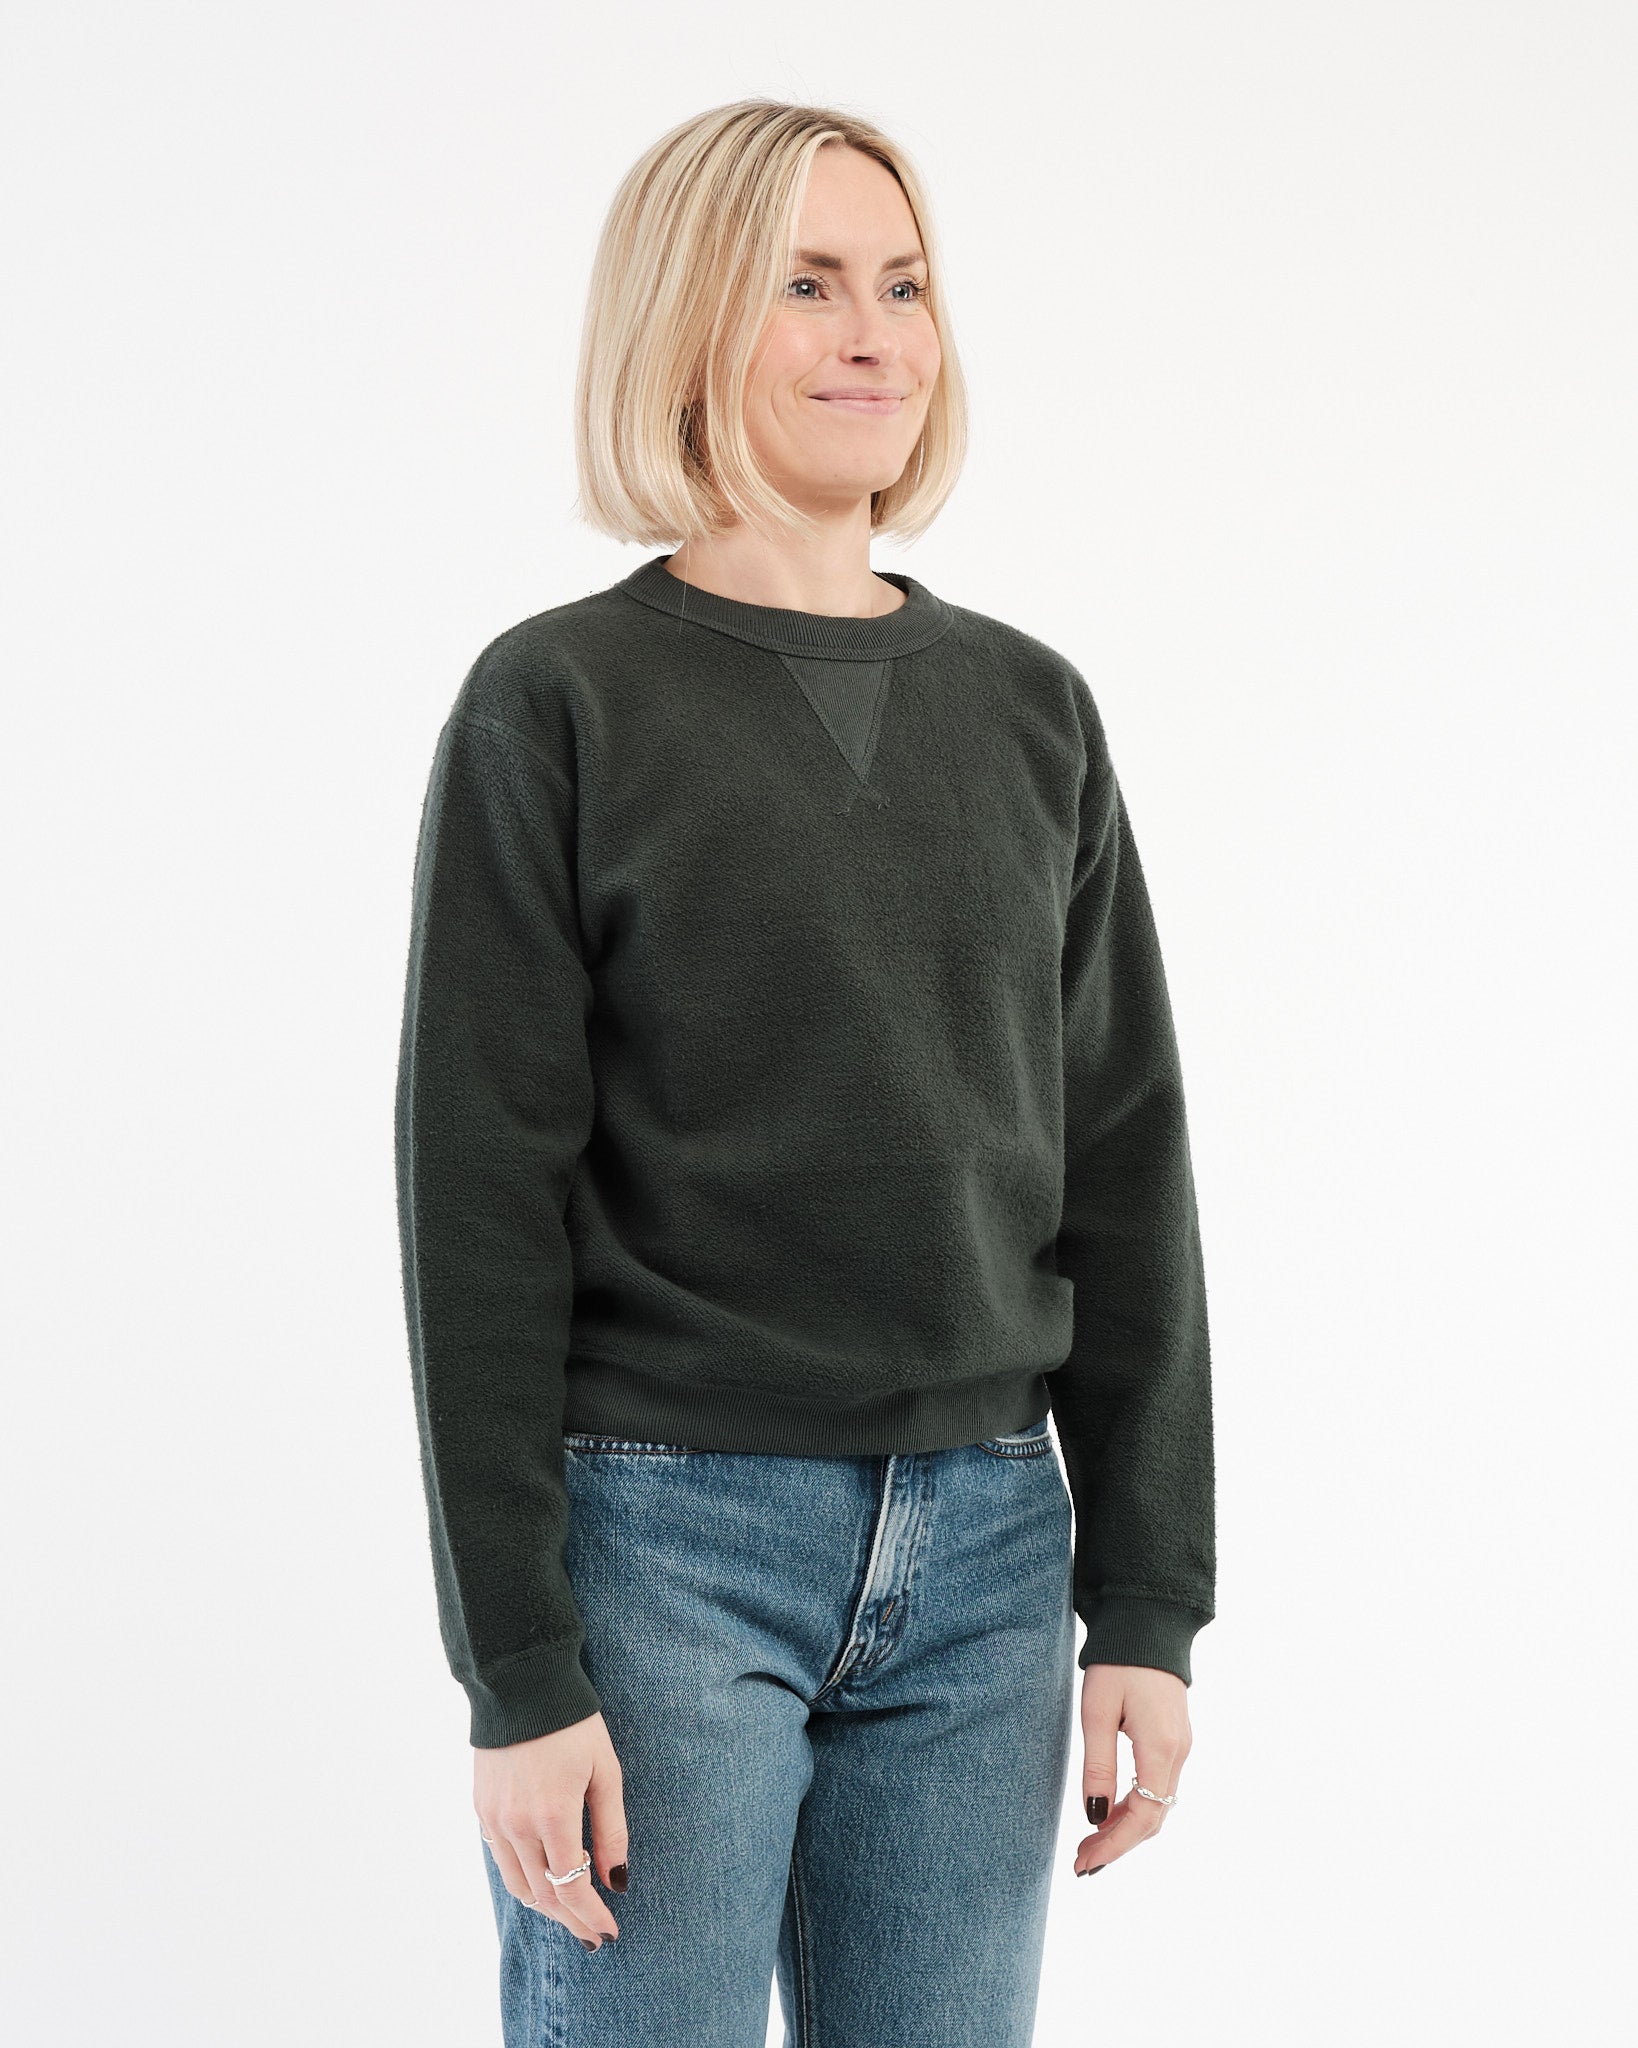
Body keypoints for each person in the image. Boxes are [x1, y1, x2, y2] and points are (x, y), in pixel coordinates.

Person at [394, 98, 1216, 2048]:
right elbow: (479, 1197)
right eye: (810, 285)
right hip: (662, 1543)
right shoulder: (559, 700)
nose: (875, 335)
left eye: (905, 286)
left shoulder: (1030, 710)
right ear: (687, 323)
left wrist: (1148, 1605)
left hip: (990, 1550)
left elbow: (1122, 1158)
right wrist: (517, 1670)